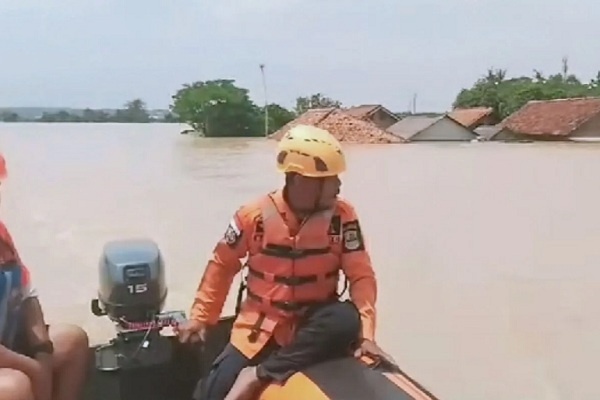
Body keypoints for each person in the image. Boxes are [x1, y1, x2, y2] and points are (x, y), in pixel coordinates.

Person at [177, 125, 396, 400]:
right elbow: (222, 265)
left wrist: (367, 336)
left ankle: (259, 374)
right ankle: (253, 371)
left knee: (344, 318)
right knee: (210, 393)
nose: (339, 185)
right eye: (330, 178)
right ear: (300, 180)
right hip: (258, 329)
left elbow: (361, 275)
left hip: (313, 326)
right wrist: (201, 318)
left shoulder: (343, 217)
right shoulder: (252, 216)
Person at [0, 153, 89, 400]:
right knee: (15, 386)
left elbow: (28, 296)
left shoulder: (1, 233)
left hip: (7, 347)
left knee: (72, 340)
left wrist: (42, 350)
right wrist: (36, 371)